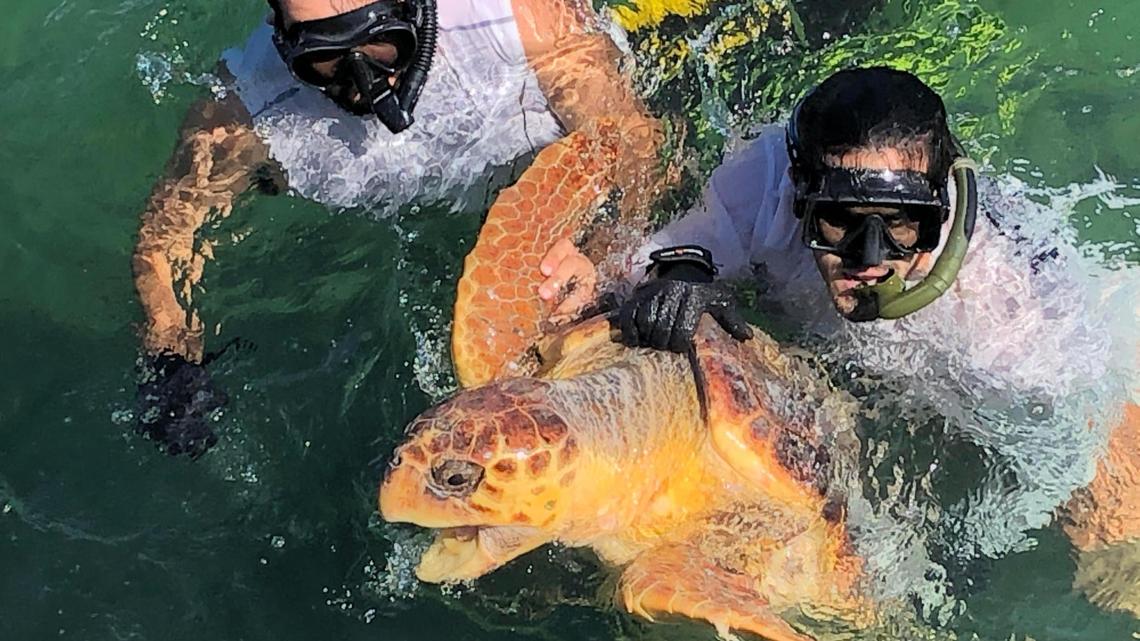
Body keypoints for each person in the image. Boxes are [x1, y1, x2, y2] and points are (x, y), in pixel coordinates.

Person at [540, 66, 1140, 612]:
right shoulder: (763, 181)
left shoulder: (1001, 309)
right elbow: (670, 255)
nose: (870, 260)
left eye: (903, 224)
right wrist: (659, 276)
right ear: (800, 194)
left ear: (938, 209)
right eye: (840, 220)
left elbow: (1094, 422)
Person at [132, 0, 666, 458]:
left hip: (549, 195)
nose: (364, 81)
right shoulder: (243, 112)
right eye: (324, 60)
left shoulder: (520, 19)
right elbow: (167, 236)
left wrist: (600, 253)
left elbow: (638, 147)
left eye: (382, 43)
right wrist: (170, 353)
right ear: (282, 36)